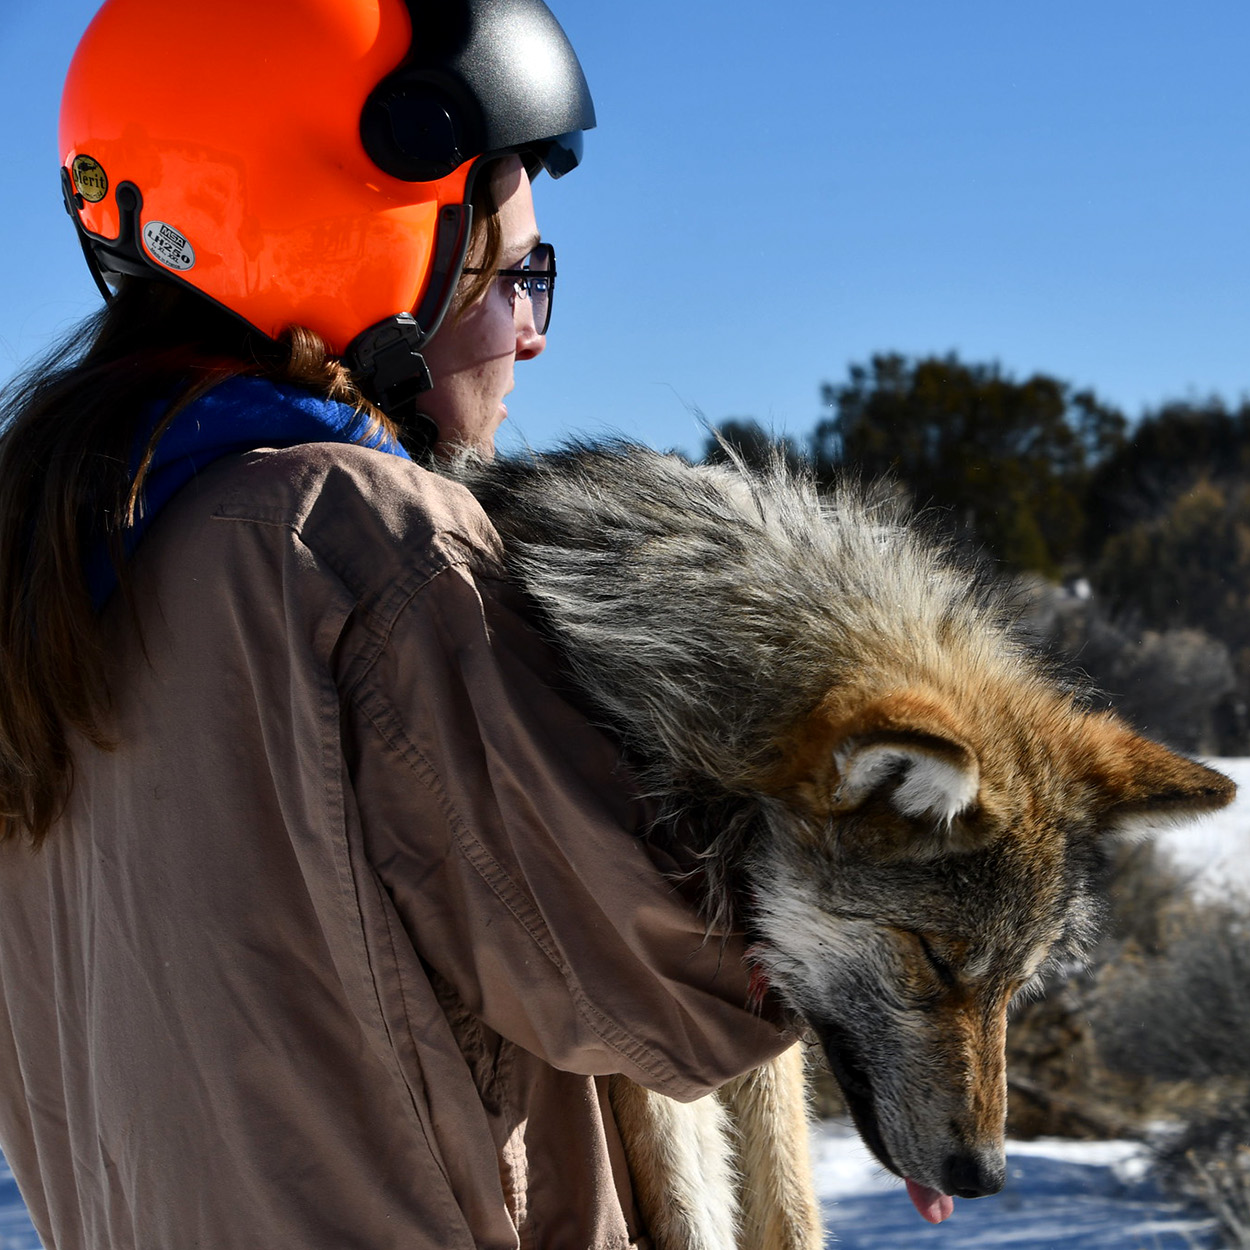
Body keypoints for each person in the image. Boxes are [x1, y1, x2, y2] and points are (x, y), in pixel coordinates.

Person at [0, 1, 793, 1245]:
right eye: (517, 270)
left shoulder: (48, 566)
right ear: (361, 237)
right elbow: (677, 987)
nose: (531, 329)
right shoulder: (355, 541)